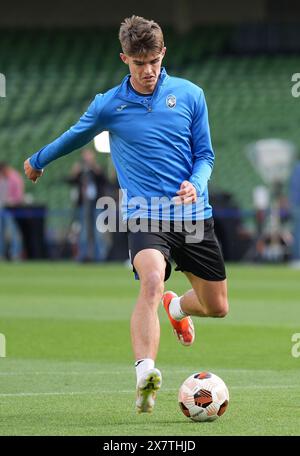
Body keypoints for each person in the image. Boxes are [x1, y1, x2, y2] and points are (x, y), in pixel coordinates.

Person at [24, 15, 228, 414]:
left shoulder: (190, 95)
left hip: (192, 214)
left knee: (217, 307)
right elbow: (74, 135)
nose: (148, 70)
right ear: (124, 59)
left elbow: (205, 155)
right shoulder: (109, 105)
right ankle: (145, 374)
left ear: (163, 53)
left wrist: (196, 184)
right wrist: (37, 159)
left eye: (153, 60)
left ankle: (178, 308)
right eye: (139, 63)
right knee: (151, 281)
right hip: (144, 215)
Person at [66, 148, 109, 262]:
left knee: (98, 231)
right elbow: (71, 181)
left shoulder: (97, 168)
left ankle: (100, 257)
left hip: (97, 203)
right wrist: (74, 172)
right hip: (83, 204)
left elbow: (105, 180)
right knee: (83, 230)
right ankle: (83, 255)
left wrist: (95, 169)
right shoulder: (80, 170)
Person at [0, 161, 24, 260]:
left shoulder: (15, 177)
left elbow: (19, 196)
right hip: (2, 208)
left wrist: (11, 201)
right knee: (1, 233)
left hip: (12, 209)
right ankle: (1, 254)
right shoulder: (2, 178)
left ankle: (15, 253)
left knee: (14, 232)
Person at [289, 159, 300, 266]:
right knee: (298, 233)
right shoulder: (297, 168)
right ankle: (297, 258)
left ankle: (297, 258)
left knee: (297, 232)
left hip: (296, 204)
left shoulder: (296, 168)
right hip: (298, 205)